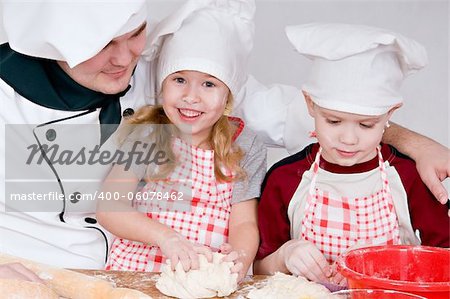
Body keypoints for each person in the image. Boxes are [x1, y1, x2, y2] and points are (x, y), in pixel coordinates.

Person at [0, 0, 448, 279]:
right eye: (102, 47)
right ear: (55, 48)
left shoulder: (168, 75)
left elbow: (329, 111)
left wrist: (417, 143)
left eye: (134, 35)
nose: (125, 60)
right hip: (33, 273)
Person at [253, 23, 450, 286]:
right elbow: (259, 269)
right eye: (333, 121)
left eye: (366, 125)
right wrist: (285, 256)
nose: (348, 139)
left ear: (390, 113)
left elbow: (444, 261)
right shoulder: (285, 178)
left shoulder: (409, 177)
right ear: (310, 104)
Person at [96, 1, 264, 282]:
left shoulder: (245, 145)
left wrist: (237, 262)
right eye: (179, 80)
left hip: (205, 273)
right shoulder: (148, 134)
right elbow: (110, 208)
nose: (191, 96)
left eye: (209, 84)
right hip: (140, 271)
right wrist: (167, 238)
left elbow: (244, 223)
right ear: (162, 85)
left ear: (228, 96)